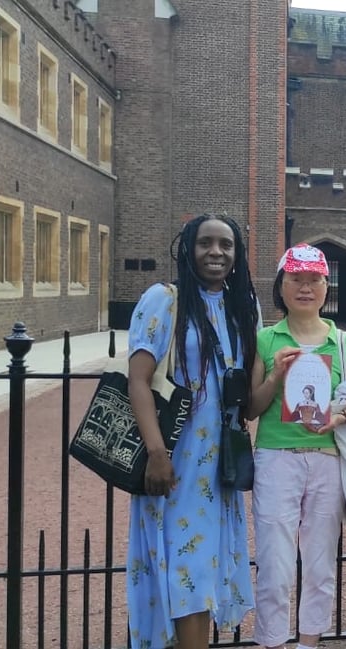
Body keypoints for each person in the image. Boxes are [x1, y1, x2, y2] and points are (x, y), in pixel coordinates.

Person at [124, 213, 259, 649]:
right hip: (175, 456)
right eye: (205, 243)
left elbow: (249, 388)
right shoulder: (164, 300)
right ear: (188, 249)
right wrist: (157, 452)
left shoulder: (244, 307)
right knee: (185, 566)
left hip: (219, 459)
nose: (216, 252)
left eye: (226, 244)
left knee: (204, 567)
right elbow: (138, 380)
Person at [244, 243, 346, 649]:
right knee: (275, 561)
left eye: (314, 279)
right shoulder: (265, 339)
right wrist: (275, 376)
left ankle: (309, 642)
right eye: (296, 279)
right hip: (277, 457)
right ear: (281, 286)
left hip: (327, 458)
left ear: (325, 286)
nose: (305, 287)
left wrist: (338, 418)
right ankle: (272, 642)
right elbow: (252, 408)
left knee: (319, 563)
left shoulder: (344, 342)